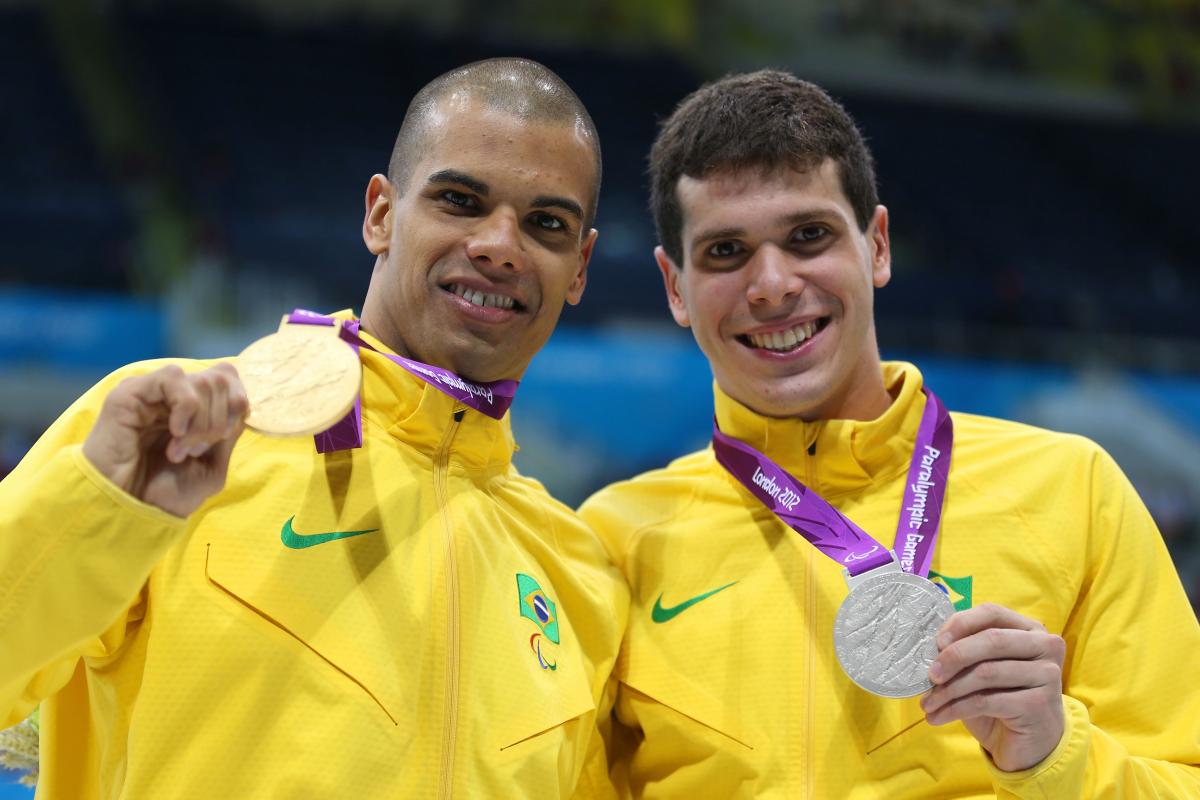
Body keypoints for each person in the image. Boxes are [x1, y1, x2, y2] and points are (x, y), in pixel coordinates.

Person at [0, 58, 627, 798]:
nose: (499, 245)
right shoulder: (178, 440)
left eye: (545, 223)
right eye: (460, 200)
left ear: (580, 267)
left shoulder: (580, 578)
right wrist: (99, 509)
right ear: (381, 215)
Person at [579, 69, 1200, 798]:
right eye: (725, 252)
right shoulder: (615, 542)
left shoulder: (1072, 488)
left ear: (876, 245)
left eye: (808, 236)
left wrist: (1055, 757)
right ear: (675, 287)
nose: (772, 284)